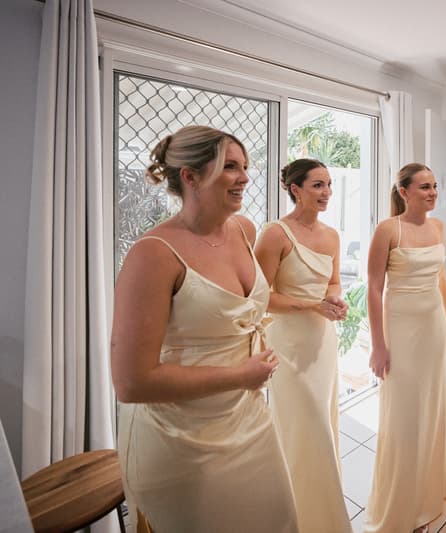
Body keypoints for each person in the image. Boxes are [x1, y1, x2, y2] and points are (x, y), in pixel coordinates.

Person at [111, 125, 298, 533]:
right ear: (190, 176)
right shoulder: (154, 255)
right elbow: (131, 383)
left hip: (250, 422)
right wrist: (241, 375)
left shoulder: (245, 231)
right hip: (186, 443)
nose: (246, 177)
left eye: (245, 166)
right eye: (230, 167)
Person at [254, 158, 351, 533]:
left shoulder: (331, 236)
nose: (327, 193)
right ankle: (300, 514)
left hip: (321, 341)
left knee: (322, 422)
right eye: (317, 185)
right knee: (302, 424)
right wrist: (312, 304)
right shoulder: (275, 234)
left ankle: (319, 507)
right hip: (289, 343)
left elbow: (333, 282)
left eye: (329, 185)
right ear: (295, 189)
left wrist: (336, 299)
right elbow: (260, 297)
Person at [364, 163, 446, 533]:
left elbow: (440, 279)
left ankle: (430, 488)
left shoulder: (437, 227)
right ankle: (405, 503)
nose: (432, 193)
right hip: (400, 326)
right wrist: (377, 345)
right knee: (403, 412)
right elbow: (373, 288)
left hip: (432, 324)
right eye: (424, 187)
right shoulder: (389, 229)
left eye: (435, 186)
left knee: (433, 403)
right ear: (403, 192)